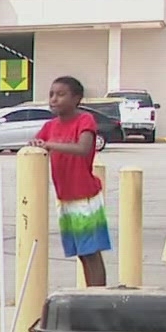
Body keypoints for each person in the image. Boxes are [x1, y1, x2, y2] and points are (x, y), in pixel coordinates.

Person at [30, 75, 109, 288]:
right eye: (51, 94)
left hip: (85, 195)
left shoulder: (84, 121)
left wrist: (51, 144)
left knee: (91, 252)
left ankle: (98, 295)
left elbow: (83, 149)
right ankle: (89, 293)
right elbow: (37, 145)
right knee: (81, 253)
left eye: (61, 94)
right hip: (64, 197)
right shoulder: (49, 126)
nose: (54, 99)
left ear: (77, 98)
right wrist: (38, 144)